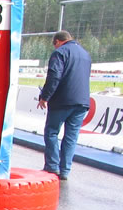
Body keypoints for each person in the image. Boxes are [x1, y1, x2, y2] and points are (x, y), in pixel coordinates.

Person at [37, 31, 91, 181]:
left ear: (58, 41)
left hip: (62, 101)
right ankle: (65, 170)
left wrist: (45, 97)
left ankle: (52, 166)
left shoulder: (60, 53)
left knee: (51, 132)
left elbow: (54, 76)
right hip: (82, 101)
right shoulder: (85, 54)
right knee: (71, 137)